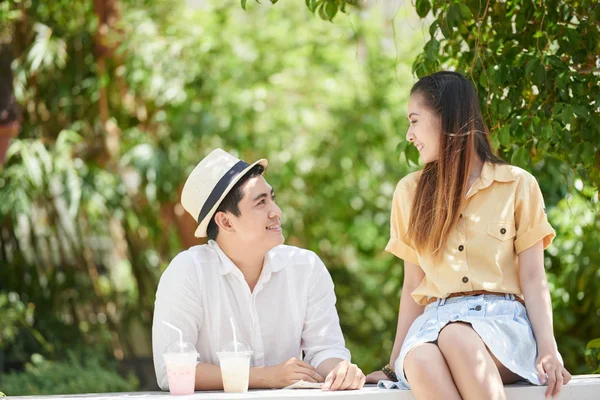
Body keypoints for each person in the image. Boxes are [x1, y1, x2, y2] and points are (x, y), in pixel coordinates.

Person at [366, 71, 571, 400]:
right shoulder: (409, 192)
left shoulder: (517, 184)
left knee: (456, 338)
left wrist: (548, 348)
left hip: (501, 324)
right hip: (433, 326)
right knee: (419, 359)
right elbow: (412, 288)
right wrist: (393, 366)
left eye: (415, 120)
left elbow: (534, 277)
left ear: (445, 118)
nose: (409, 134)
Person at [152, 148, 365, 391]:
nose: (277, 212)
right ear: (226, 221)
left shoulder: (306, 267)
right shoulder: (187, 272)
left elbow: (325, 350)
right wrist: (266, 376)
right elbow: (172, 372)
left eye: (272, 198)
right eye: (261, 202)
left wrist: (340, 370)